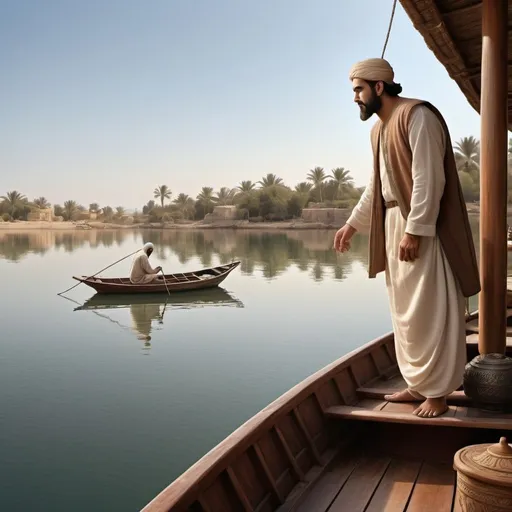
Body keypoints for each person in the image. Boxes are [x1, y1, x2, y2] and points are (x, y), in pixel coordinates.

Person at [334, 58, 480, 418]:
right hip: (392, 226)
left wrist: (416, 229)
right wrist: (352, 224)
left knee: (430, 307)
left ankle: (438, 393)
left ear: (378, 87)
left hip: (421, 226)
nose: (355, 97)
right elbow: (377, 188)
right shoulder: (378, 131)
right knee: (405, 312)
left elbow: (430, 179)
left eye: (358, 89)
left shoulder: (418, 116)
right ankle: (418, 382)